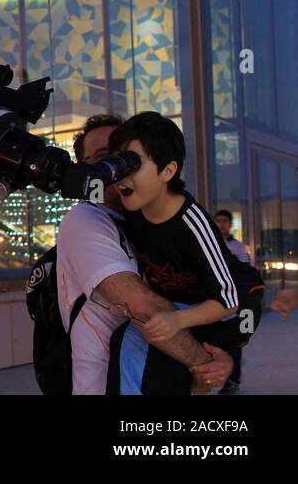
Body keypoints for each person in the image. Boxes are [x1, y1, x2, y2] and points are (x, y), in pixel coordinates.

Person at [54, 114, 233, 395]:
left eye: (126, 159)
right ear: (84, 168)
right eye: (103, 158)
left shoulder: (146, 220)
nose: (116, 169)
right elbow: (144, 308)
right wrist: (209, 364)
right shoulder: (85, 220)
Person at [105, 113, 260, 394]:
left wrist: (176, 320)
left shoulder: (193, 224)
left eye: (133, 163)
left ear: (167, 171)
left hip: (215, 309)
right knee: (128, 341)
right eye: (119, 163)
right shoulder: (133, 208)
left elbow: (229, 300)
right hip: (174, 303)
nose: (121, 175)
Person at [213, 209, 248, 393]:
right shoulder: (209, 245)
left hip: (234, 303)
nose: (221, 224)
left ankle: (232, 381)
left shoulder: (238, 247)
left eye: (224, 221)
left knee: (234, 343)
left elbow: (245, 273)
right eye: (217, 221)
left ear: (230, 224)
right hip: (213, 302)